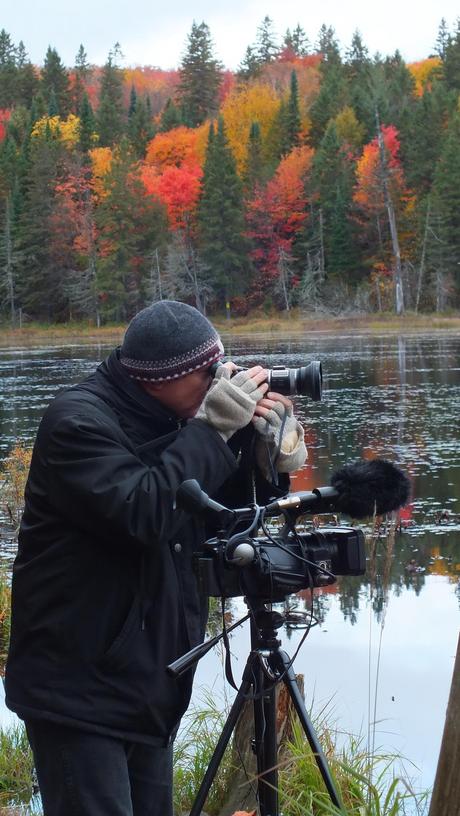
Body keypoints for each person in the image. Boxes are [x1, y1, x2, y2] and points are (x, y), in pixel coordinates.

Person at [5, 300, 307, 816]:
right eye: (207, 374)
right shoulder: (77, 422)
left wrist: (263, 459)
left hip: (147, 684)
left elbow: (215, 515)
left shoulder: (169, 416)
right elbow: (145, 512)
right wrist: (213, 430)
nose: (219, 383)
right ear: (158, 378)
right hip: (78, 686)